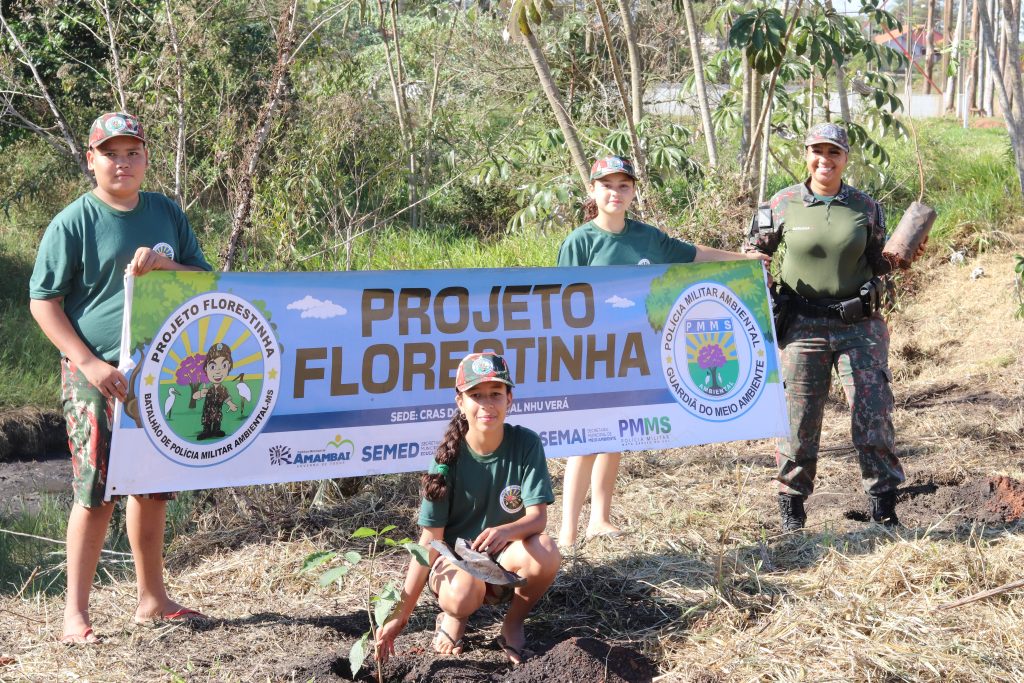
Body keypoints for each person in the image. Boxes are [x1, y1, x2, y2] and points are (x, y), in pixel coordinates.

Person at [29, 112, 212, 643]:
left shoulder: (165, 213)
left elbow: (203, 278)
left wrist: (162, 265)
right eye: (111, 153)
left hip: (160, 372)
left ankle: (152, 600)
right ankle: (74, 615)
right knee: (97, 493)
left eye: (133, 152)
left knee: (151, 489)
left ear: (146, 158)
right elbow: (44, 302)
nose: (123, 162)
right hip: (97, 374)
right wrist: (89, 364)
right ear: (92, 161)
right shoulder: (74, 222)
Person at [556, 155, 768, 547]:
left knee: (616, 433)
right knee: (584, 440)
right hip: (590, 353)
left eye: (623, 186)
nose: (615, 193)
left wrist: (746, 260)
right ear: (593, 191)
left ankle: (599, 519)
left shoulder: (647, 237)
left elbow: (695, 255)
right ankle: (567, 531)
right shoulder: (579, 241)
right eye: (606, 185)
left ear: (633, 191)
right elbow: (562, 299)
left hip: (633, 353)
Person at [744, 122, 919, 531]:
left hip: (859, 326)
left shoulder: (865, 206)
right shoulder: (784, 202)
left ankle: (884, 507)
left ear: (845, 158)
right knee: (798, 418)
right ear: (807, 156)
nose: (825, 160)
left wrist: (903, 256)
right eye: (817, 152)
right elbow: (754, 250)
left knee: (872, 413)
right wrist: (756, 269)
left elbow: (881, 260)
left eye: (834, 153)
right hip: (801, 324)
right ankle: (792, 510)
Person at [375, 352, 560, 666]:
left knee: (545, 552)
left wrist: (507, 531)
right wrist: (401, 615)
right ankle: (454, 617)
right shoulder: (447, 460)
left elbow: (538, 518)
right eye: (476, 395)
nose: (487, 404)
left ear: (510, 399)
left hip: (503, 562)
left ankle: (512, 623)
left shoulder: (525, 444)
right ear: (460, 401)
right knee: (463, 591)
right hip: (457, 568)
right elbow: (429, 541)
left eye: (495, 395)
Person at [194, 342, 238, 440]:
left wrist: (231, 404)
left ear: (229, 367)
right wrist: (201, 393)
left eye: (224, 366)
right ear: (206, 368)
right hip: (207, 411)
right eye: (213, 367)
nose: (218, 371)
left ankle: (216, 430)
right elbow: (195, 396)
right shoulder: (208, 388)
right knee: (207, 420)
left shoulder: (223, 389)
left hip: (217, 410)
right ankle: (207, 431)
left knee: (217, 419)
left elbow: (226, 398)